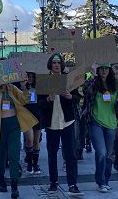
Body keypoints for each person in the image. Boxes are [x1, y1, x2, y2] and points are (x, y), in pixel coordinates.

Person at [0, 77, 38, 199]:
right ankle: (1, 180)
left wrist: (24, 86)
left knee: (14, 155)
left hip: (14, 126)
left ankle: (15, 185)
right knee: (0, 156)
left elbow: (26, 99)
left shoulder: (12, 88)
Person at [39, 53, 83, 196]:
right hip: (52, 123)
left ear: (62, 65)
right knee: (52, 154)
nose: (56, 65)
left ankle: (72, 184)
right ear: (50, 65)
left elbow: (78, 98)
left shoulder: (68, 79)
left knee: (70, 154)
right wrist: (47, 100)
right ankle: (53, 183)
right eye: (54, 62)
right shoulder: (44, 81)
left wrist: (71, 97)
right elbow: (39, 103)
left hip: (67, 122)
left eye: (58, 62)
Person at [83, 63, 118, 193]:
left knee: (109, 154)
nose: (104, 71)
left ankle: (106, 180)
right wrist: (93, 75)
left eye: (106, 68)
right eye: (102, 69)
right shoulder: (94, 82)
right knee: (101, 152)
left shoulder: (115, 85)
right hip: (96, 122)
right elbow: (86, 90)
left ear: (110, 70)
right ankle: (100, 182)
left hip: (111, 123)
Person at [23, 72, 42, 174]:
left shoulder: (38, 87)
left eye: (32, 77)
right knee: (29, 139)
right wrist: (23, 85)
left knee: (36, 140)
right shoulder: (22, 86)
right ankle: (29, 163)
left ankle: (35, 164)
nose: (30, 79)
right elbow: (23, 98)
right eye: (28, 77)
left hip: (37, 114)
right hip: (26, 115)